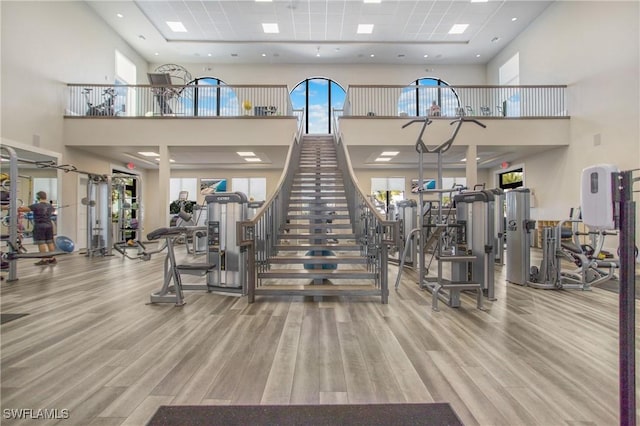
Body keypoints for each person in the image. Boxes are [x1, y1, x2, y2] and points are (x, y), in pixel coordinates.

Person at [19, 191, 57, 265]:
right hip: (49, 225)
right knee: (50, 242)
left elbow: (22, 209)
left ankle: (44, 260)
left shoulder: (36, 206)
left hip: (40, 226)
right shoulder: (50, 206)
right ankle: (52, 259)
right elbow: (53, 211)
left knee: (41, 243)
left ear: (38, 197)